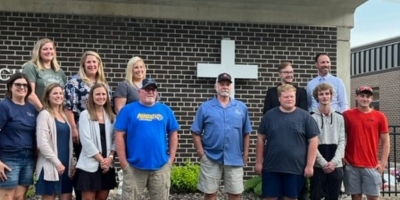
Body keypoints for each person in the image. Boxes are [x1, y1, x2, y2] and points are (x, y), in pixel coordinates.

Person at [190, 73, 252, 200]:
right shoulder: (205, 107)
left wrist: (245, 155)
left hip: (234, 157)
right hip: (211, 157)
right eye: (222, 84)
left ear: (231, 87)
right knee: (210, 193)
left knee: (235, 194)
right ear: (216, 86)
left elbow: (246, 133)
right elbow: (195, 131)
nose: (225, 87)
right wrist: (201, 153)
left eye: (227, 84)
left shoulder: (241, 107)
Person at [115, 78, 179, 200]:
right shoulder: (128, 110)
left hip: (160, 167)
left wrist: (170, 160)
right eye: (147, 89)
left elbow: (173, 134)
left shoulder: (166, 110)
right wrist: (124, 163)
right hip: (134, 167)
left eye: (153, 89)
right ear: (139, 91)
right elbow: (119, 136)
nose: (151, 92)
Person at [256, 84, 319, 200]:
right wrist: (259, 162)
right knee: (270, 197)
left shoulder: (305, 117)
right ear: (279, 98)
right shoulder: (269, 116)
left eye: (292, 96)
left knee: (291, 198)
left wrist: (310, 165)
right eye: (286, 97)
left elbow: (313, 141)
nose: (290, 99)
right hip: (272, 167)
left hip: (295, 168)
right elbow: (260, 138)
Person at [63, 51, 109, 200]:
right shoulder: (74, 82)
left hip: (102, 129)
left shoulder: (102, 82)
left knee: (100, 168)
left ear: (99, 64)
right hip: (83, 129)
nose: (92, 65)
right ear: (83, 64)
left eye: (95, 62)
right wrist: (74, 128)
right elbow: (68, 106)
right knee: (86, 166)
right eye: (88, 62)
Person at [343, 86, 390, 200]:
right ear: (356, 97)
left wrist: (383, 164)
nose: (365, 99)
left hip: (371, 165)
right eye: (362, 96)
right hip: (351, 164)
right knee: (356, 197)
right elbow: (340, 137)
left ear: (372, 98)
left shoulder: (380, 116)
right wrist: (341, 156)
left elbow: (386, 141)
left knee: (373, 197)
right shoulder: (347, 115)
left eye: (368, 96)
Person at [0, 73, 38, 200]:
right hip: (9, 157)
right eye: (18, 84)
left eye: (25, 85)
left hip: (28, 159)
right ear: (10, 86)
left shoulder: (32, 108)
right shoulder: (4, 106)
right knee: (7, 197)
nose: (22, 87)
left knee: (19, 196)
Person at [75, 83, 116, 200]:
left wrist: (110, 158)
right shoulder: (85, 115)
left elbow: (115, 140)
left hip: (108, 165)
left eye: (103, 94)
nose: (101, 97)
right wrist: (102, 160)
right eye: (97, 94)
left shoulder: (112, 117)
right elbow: (86, 141)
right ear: (92, 97)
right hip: (89, 165)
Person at [35, 83, 74, 200]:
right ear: (47, 96)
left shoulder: (64, 116)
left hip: (66, 166)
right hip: (50, 166)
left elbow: (68, 143)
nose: (58, 96)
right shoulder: (44, 114)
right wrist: (57, 163)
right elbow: (42, 144)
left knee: (67, 197)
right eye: (55, 93)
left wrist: (72, 163)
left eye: (61, 93)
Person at [309, 83, 345, 200]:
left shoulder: (339, 117)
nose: (324, 96)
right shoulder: (311, 117)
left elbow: (342, 141)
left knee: (333, 197)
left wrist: (334, 162)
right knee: (316, 196)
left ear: (331, 96)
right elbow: (310, 142)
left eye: (327, 94)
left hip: (336, 164)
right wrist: (323, 163)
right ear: (317, 97)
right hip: (318, 164)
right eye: (321, 94)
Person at [22, 38, 67, 111]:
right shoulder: (31, 67)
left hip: (56, 114)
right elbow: (29, 93)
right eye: (45, 49)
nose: (49, 51)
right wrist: (44, 111)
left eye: (51, 49)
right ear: (38, 51)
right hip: (37, 112)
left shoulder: (59, 71)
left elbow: (64, 95)